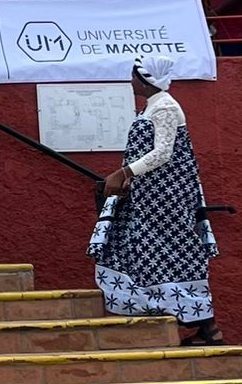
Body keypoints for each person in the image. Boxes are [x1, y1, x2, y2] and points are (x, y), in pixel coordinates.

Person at [90, 57, 221, 343]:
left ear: (146, 80)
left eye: (134, 75)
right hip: (149, 194)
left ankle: (207, 326)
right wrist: (128, 178)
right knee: (146, 249)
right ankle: (160, 312)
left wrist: (123, 172)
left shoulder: (165, 107)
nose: (131, 80)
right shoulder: (153, 105)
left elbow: (163, 153)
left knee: (177, 250)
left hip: (167, 195)